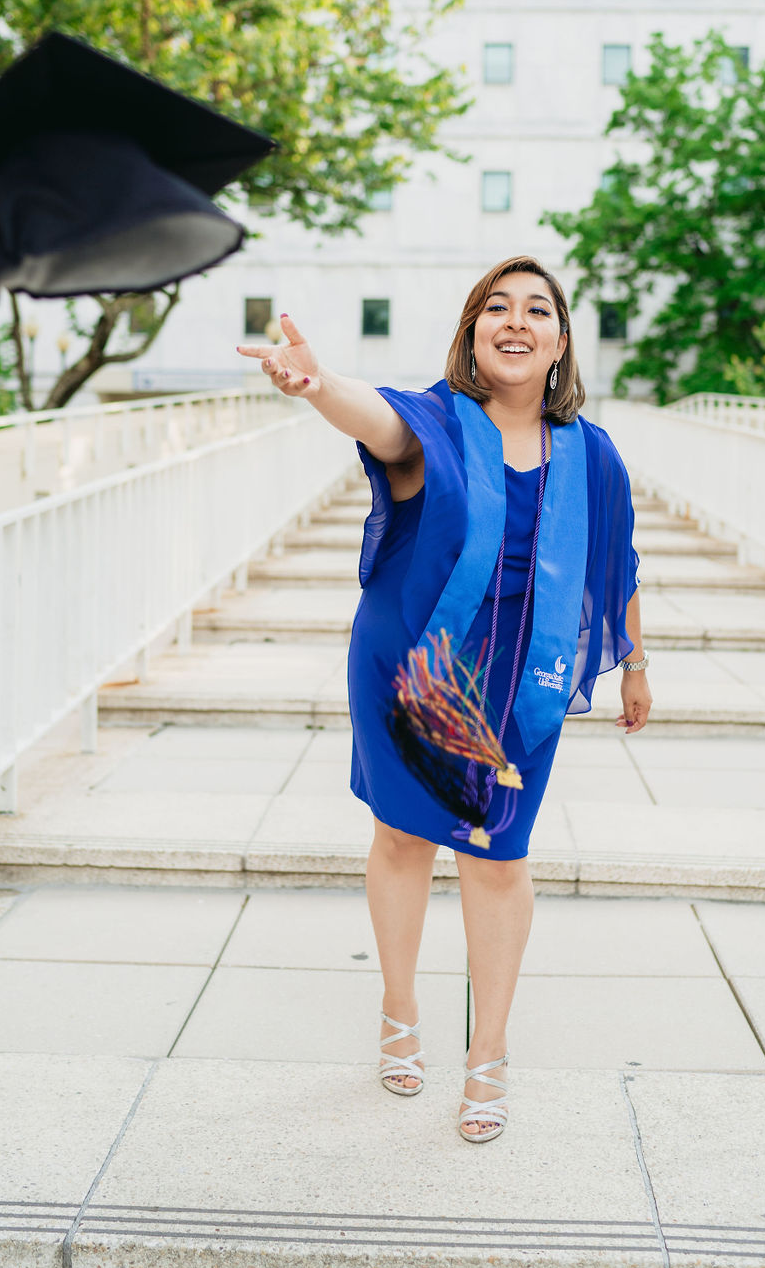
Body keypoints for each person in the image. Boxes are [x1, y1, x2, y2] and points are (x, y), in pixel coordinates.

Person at [237, 255, 652, 1142]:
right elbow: (377, 420)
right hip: (413, 672)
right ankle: (399, 1012)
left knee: (498, 857)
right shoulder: (438, 421)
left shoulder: (593, 454)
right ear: (472, 332)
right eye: (494, 307)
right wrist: (316, 386)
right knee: (401, 838)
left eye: (536, 309)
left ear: (559, 341)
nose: (515, 320)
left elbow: (617, 564)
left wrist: (638, 663)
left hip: (517, 684)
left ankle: (488, 1055)